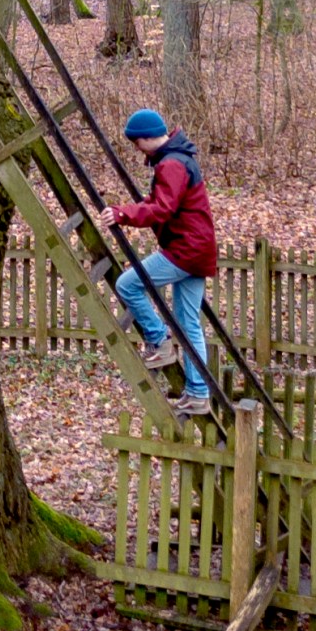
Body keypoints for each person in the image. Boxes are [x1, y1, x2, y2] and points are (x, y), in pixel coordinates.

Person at [95, 108, 217, 416]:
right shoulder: (176, 159)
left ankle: (158, 339)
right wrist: (130, 210)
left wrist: (123, 215)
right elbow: (158, 201)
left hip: (184, 250)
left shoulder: (172, 164)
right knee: (189, 324)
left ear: (148, 137)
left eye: (137, 142)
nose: (137, 149)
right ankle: (199, 393)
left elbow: (163, 208)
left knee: (128, 284)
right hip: (197, 249)